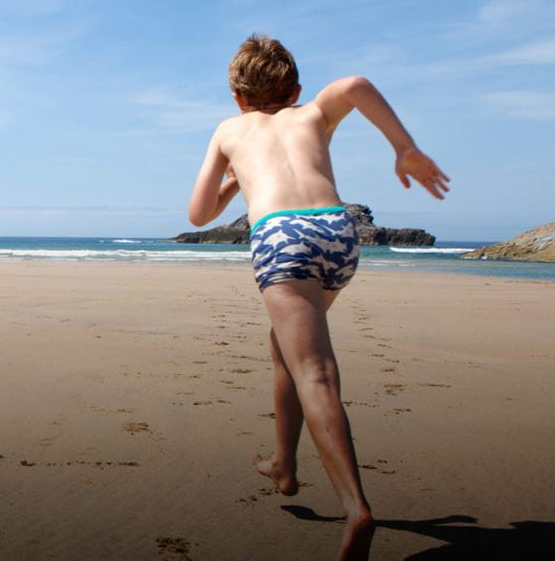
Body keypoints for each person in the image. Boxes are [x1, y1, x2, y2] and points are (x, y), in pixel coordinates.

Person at [185, 35, 449, 560]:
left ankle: (356, 508)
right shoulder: (312, 116)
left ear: (236, 96)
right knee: (284, 348)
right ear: (297, 88)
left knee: (316, 372)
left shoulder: (229, 128)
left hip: (284, 239)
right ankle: (285, 465)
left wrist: (236, 181)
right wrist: (403, 147)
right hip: (338, 233)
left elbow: (198, 214)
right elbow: (355, 85)